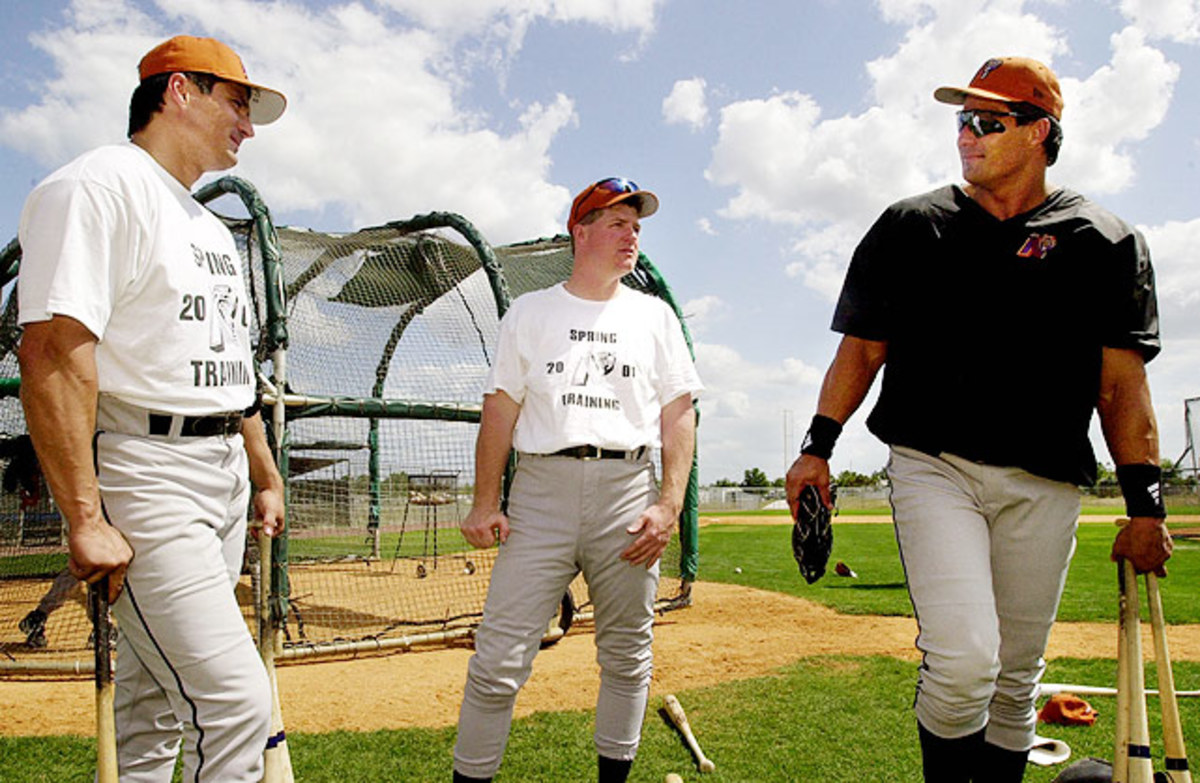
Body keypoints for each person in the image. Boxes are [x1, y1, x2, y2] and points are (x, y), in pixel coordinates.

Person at [785, 57, 1171, 782]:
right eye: (961, 119)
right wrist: (818, 447)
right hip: (935, 464)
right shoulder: (910, 225)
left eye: (987, 121)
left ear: (1039, 133)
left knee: (1015, 675)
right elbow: (863, 347)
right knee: (963, 656)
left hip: (1047, 477)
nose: (966, 134)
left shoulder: (1105, 239)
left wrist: (1145, 506)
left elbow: (1122, 386)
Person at [16, 35, 287, 782]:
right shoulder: (97, 186)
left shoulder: (206, 226)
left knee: (154, 709)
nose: (248, 125)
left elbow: (234, 375)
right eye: (238, 101)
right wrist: (85, 516)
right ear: (178, 92)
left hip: (222, 472)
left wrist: (263, 472)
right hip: (147, 469)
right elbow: (52, 352)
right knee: (234, 704)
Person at [452, 178, 702, 782]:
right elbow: (501, 409)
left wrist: (669, 505)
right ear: (580, 231)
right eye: (616, 223)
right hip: (542, 493)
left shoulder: (655, 316)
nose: (631, 234)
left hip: (628, 493)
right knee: (498, 659)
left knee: (626, 656)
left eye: (636, 225)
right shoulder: (531, 311)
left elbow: (679, 414)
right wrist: (486, 501)